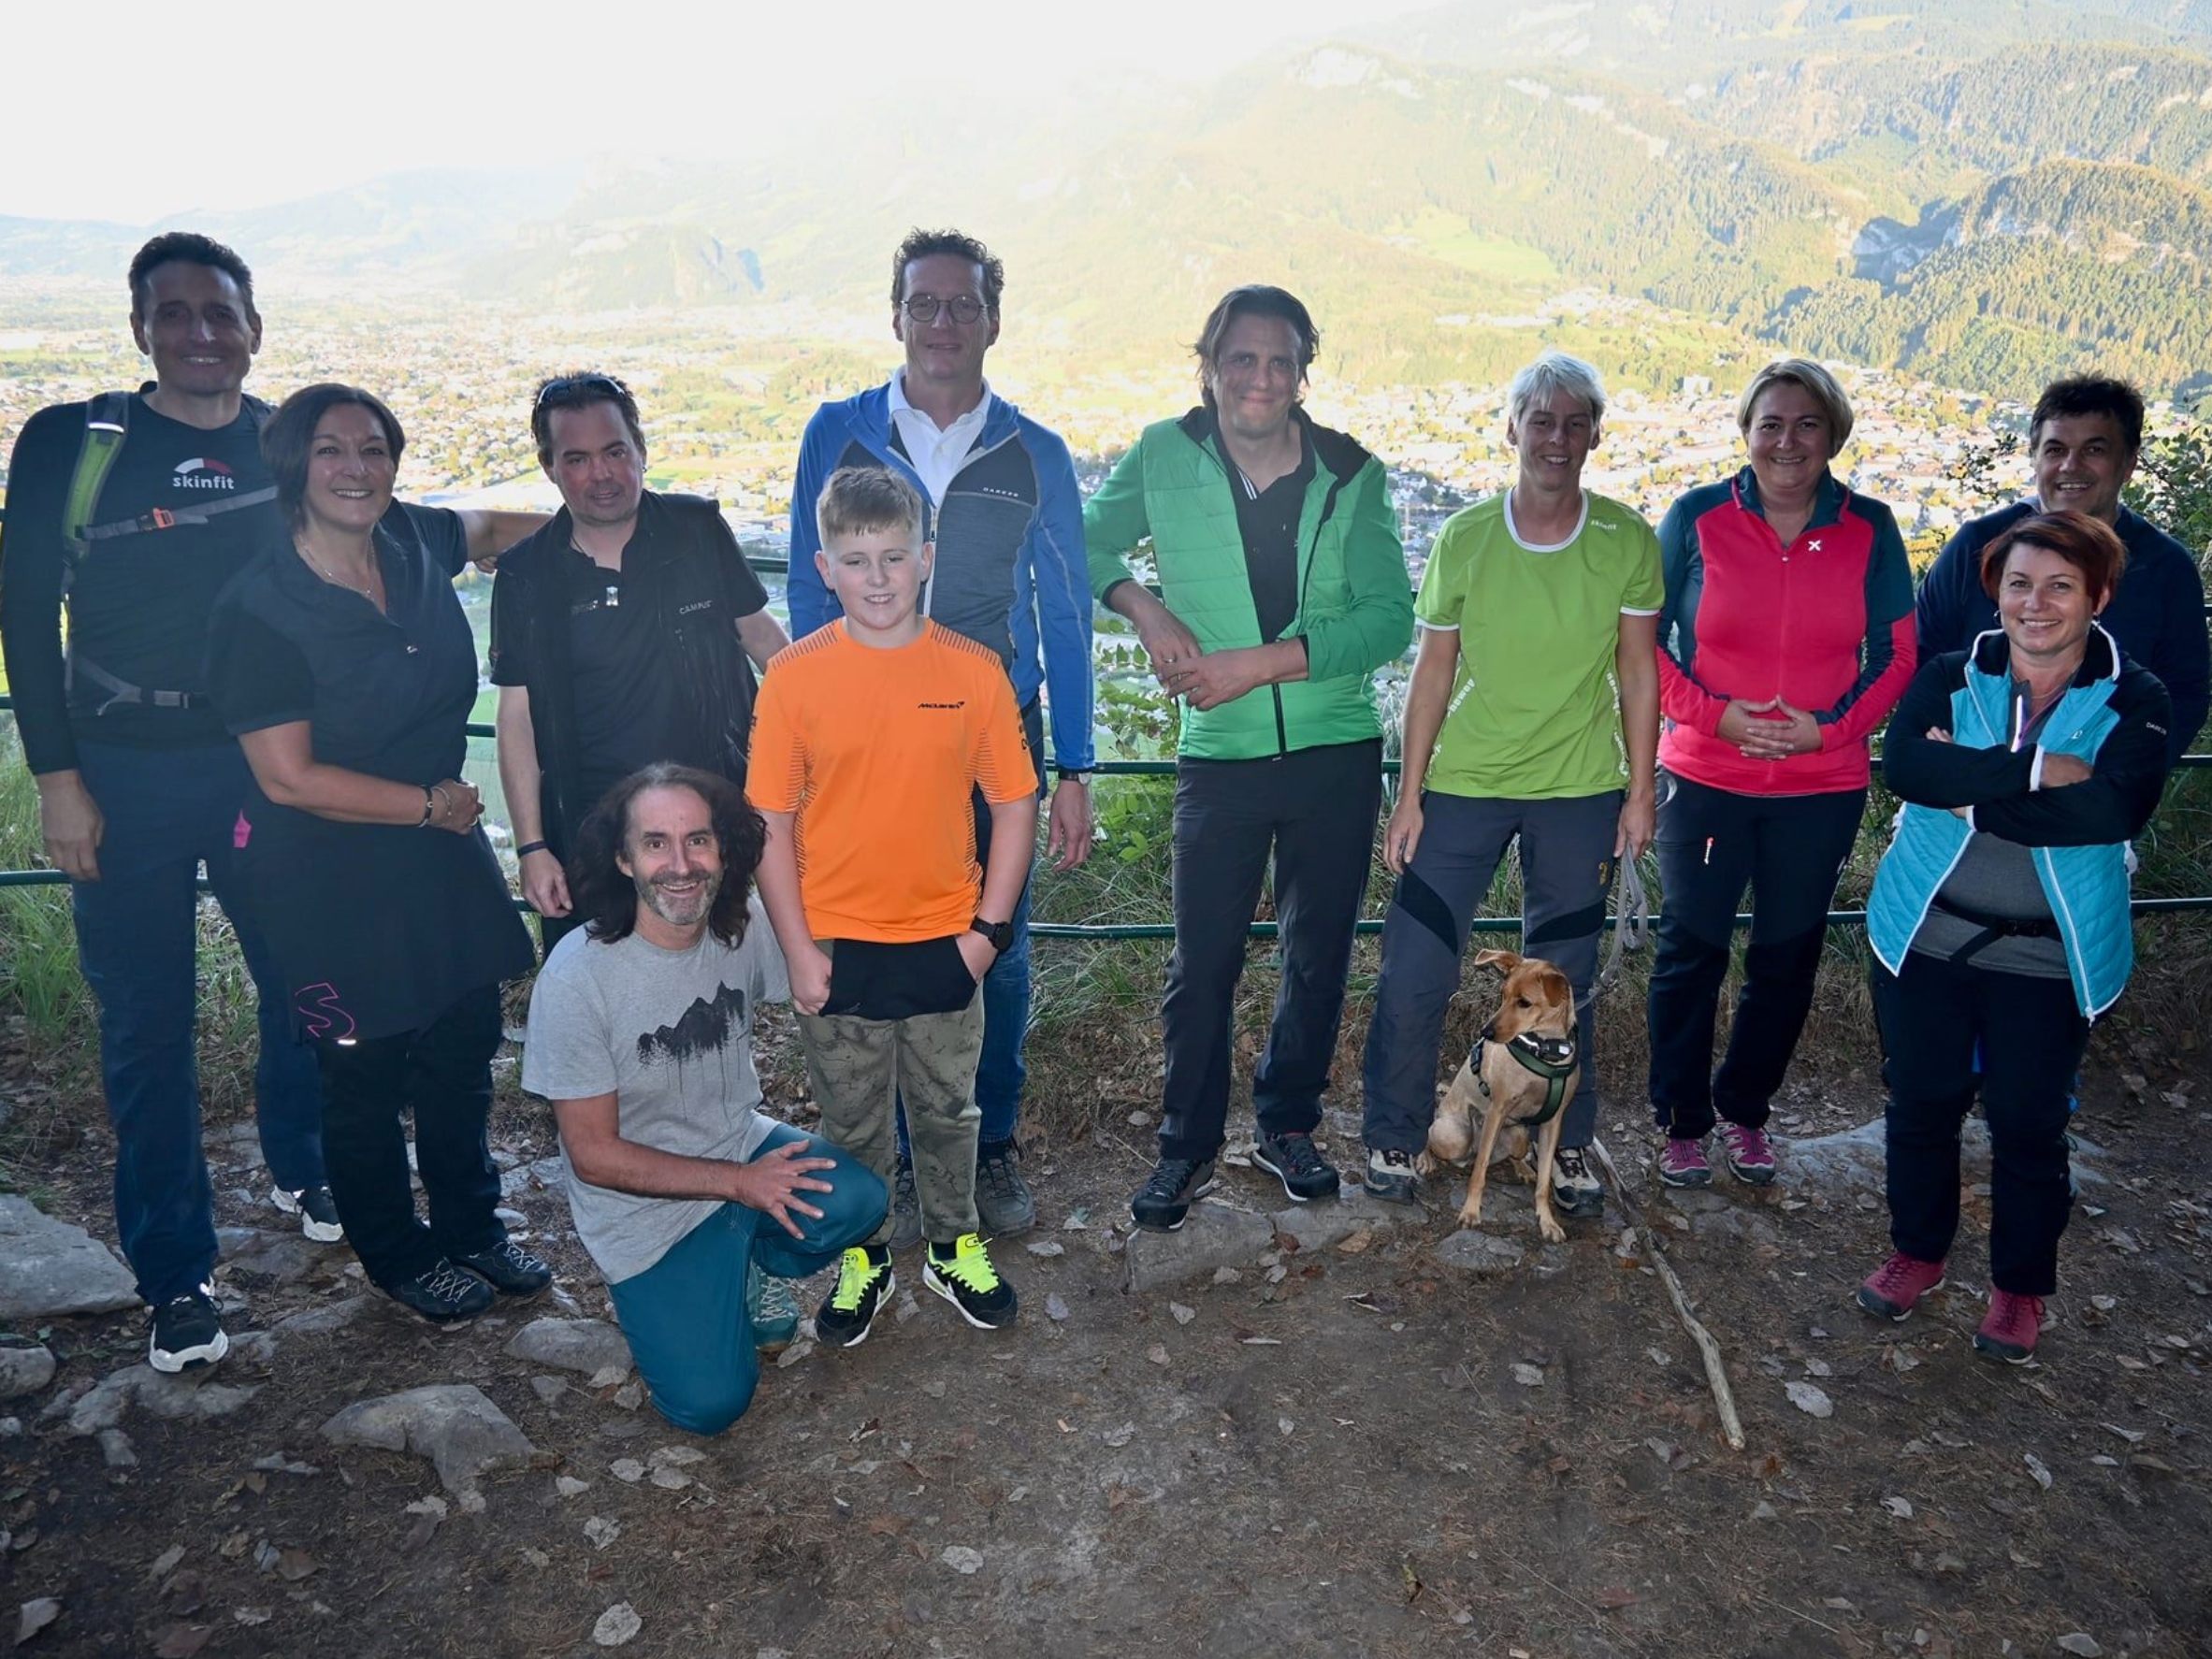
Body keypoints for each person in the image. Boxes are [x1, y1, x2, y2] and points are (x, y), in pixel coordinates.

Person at [0, 234, 534, 1371]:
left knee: (309, 994)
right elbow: (23, 612)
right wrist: (59, 779)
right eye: (175, 312)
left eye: (221, 313)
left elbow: (428, 528)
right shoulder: (76, 443)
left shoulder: (285, 446)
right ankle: (176, 1272)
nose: (201, 332)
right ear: (140, 325)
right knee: (147, 1026)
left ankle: (309, 1171)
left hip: (268, 771)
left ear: (255, 326)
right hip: (125, 762)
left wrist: (634, 522)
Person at [204, 384, 547, 1326]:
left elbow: (489, 527)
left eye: (373, 449)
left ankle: (473, 1224)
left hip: (434, 854)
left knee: (461, 1042)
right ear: (293, 466)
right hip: (327, 869)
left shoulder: (413, 539)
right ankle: (395, 1252)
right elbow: (287, 777)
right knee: (361, 1070)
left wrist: (618, 519)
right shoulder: (262, 605)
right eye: (330, 451)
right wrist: (432, 804)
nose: (356, 468)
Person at [1084, 284, 1413, 1232]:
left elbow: (1389, 616)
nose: (1259, 378)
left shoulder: (1352, 473)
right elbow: (1082, 537)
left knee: (1316, 957)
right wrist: (1145, 609)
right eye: (1241, 358)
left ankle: (1287, 1123)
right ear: (1210, 364)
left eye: (1279, 361)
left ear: (1302, 370)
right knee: (1203, 963)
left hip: (1333, 748)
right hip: (1219, 756)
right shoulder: (1161, 454)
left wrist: (1258, 665)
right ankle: (1185, 1148)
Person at [786, 228, 1093, 1240]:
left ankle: (985, 1143)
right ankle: (889, 1159)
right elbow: (804, 582)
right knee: (868, 933)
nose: (945, 322)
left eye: (965, 304)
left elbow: (1065, 614)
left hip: (991, 736)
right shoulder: (837, 432)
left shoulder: (1035, 452)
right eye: (926, 303)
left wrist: (1076, 766)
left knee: (992, 951)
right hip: (866, 738)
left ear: (993, 321)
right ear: (897, 316)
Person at [1858, 512, 2169, 1363]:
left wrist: (1965, 782)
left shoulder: (2134, 697)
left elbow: (2110, 809)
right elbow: (1904, 769)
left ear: (2096, 597)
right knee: (1919, 1104)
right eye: (2018, 583)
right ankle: (1918, 1252)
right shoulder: (1955, 672)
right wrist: (2038, 773)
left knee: (2029, 1125)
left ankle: (2019, 1288)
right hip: (1925, 934)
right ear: (1995, 591)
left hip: (2047, 952)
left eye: (2059, 586)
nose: (2034, 604)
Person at [1359, 352, 1661, 1215]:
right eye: (1541, 421)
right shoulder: (1465, 537)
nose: (1556, 438)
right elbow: (1433, 671)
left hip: (1577, 788)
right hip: (1465, 784)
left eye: (1574, 423)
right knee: (1416, 964)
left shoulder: (1625, 539)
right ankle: (1392, 1130)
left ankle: (1561, 1144)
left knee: (1560, 986)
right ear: (1512, 430)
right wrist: (1408, 793)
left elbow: (1638, 673)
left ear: (1594, 435)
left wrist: (1639, 792)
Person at [750, 466, 1036, 1346]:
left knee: (950, 1108)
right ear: (823, 567)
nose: (876, 577)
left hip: (947, 936)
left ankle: (953, 1242)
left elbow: (1013, 803)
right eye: (855, 559)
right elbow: (768, 820)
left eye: (893, 557)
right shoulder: (795, 677)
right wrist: (797, 951)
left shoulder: (973, 670)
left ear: (927, 561)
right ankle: (865, 1255)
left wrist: (987, 933)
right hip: (835, 942)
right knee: (851, 1115)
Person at [522, 764, 886, 1434]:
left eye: (698, 841)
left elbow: (830, 955)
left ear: (724, 851)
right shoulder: (578, 977)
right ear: (623, 859)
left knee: (860, 1201)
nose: (681, 864)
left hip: (735, 1142)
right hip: (641, 1209)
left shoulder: (740, 925)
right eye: (656, 843)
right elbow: (594, 1156)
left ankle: (751, 1264)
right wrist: (740, 1184)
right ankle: (707, 1268)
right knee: (710, 1407)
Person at [1647, 358, 1916, 1189]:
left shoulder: (1869, 527)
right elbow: (1643, 644)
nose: (1787, 440)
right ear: (1745, 432)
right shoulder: (1695, 517)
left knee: (1784, 958)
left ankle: (1745, 1111)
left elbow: (1897, 653)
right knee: (1689, 950)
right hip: (1703, 777)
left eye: (1805, 424)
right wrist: (1715, 716)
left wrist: (1826, 731)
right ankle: (1682, 1121)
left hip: (1820, 784)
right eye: (1770, 423)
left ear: (1832, 434)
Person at [492, 373, 788, 959]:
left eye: (614, 451)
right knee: (599, 994)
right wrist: (532, 847)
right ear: (550, 468)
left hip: (710, 819)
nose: (600, 474)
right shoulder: (528, 574)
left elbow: (767, 645)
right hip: (590, 832)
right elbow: (516, 719)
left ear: (640, 451)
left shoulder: (697, 531)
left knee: (714, 987)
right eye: (576, 459)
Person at [1916, 376, 2207, 767]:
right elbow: (1922, 661)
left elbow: (2184, 692)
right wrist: (1955, 765)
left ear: (2129, 464)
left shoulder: (2162, 567)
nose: (2071, 465)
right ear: (2034, 456)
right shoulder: (1976, 547)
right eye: (2055, 449)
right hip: (1966, 783)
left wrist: (2124, 776)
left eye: (2094, 449)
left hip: (2089, 797)